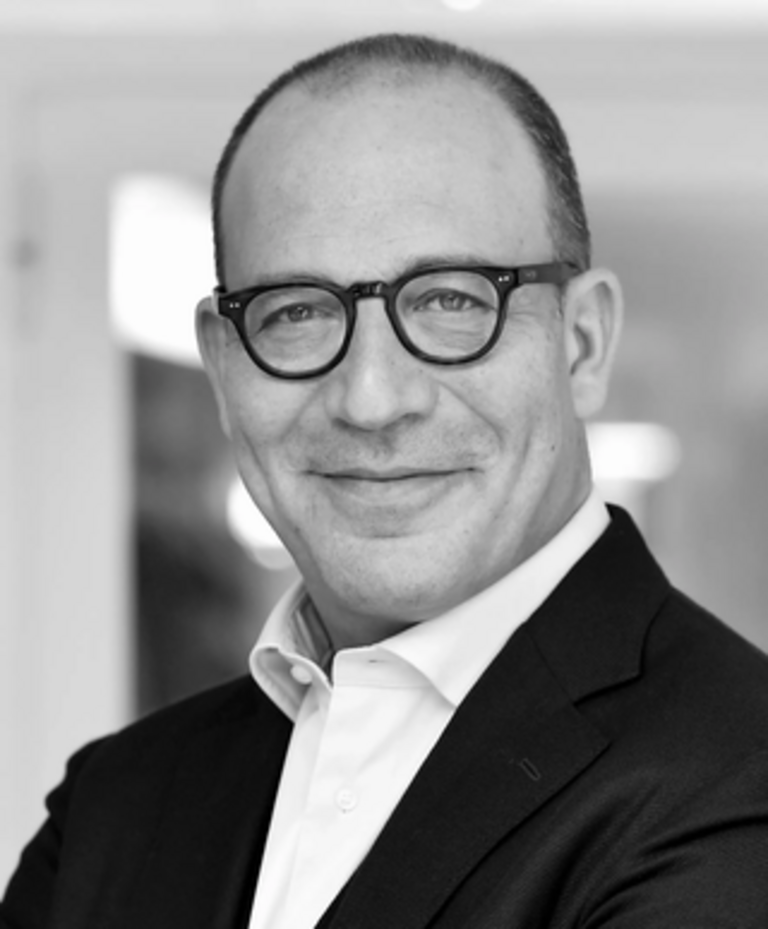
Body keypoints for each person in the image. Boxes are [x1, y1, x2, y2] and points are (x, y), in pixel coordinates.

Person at [3, 32, 768, 929]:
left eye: (451, 300)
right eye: (296, 312)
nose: (371, 399)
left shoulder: (740, 782)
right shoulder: (113, 806)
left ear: (583, 343)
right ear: (223, 367)